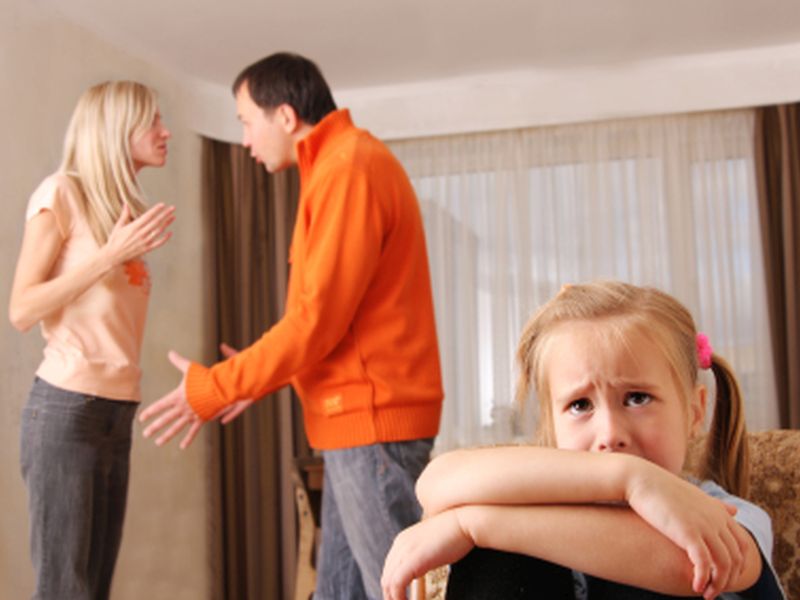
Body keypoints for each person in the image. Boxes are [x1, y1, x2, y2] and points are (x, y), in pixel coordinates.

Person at [139, 52, 443, 600]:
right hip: (358, 428)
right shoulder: (337, 166)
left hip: (370, 428)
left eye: (245, 122)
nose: (245, 141)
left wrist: (215, 386)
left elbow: (314, 323)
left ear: (284, 115)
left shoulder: (347, 169)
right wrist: (251, 379)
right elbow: (331, 323)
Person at [381, 281, 786, 600]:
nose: (610, 435)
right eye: (579, 405)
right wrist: (631, 478)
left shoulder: (724, 513)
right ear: (551, 425)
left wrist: (473, 523)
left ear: (695, 411)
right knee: (498, 557)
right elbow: (436, 482)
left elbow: (690, 568)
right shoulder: (549, 503)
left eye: (637, 398)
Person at [9, 80, 175, 599]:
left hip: (115, 412)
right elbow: (21, 309)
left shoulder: (119, 209)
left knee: (93, 590)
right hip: (67, 410)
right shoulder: (61, 193)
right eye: (153, 121)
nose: (165, 132)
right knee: (66, 590)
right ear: (117, 128)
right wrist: (108, 256)